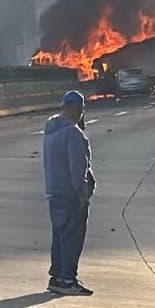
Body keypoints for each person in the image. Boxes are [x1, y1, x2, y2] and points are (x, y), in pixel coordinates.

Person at [43, 90, 96, 296]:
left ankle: (57, 276)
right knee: (72, 237)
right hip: (71, 194)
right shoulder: (73, 134)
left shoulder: (51, 129)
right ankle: (67, 279)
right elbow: (78, 169)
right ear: (79, 110)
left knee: (59, 235)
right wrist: (82, 194)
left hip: (54, 190)